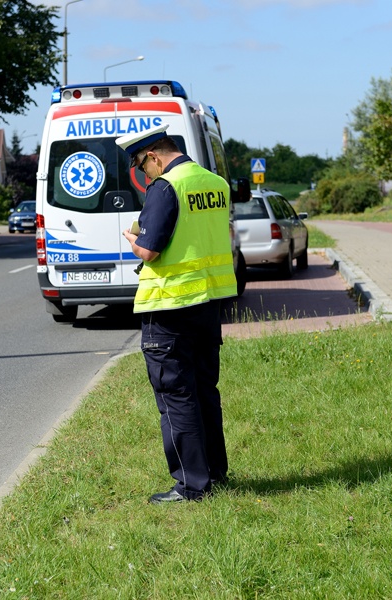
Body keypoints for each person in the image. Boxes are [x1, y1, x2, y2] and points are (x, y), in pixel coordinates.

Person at [116, 124, 237, 504]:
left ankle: (190, 485)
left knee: (175, 396)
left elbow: (150, 250)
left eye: (140, 165)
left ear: (153, 155)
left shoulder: (166, 186)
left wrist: (133, 238)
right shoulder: (215, 183)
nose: (142, 174)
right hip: (209, 301)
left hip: (169, 307)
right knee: (204, 392)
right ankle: (214, 473)